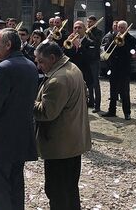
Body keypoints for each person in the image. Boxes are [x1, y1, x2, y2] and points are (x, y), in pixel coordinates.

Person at [0, 28, 38, 210]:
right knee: (15, 188)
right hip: (21, 138)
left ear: (8, 45)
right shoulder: (30, 65)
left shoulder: (4, 68)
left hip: (0, 141)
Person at [34, 42, 91, 210]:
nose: (39, 66)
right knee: (70, 190)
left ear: (53, 58)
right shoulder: (73, 68)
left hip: (60, 147)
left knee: (57, 192)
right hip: (73, 142)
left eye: (41, 62)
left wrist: (27, 100)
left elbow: (46, 112)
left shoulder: (58, 79)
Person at [102, 20, 135, 120]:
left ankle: (127, 113)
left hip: (124, 68)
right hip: (114, 67)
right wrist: (112, 42)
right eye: (118, 27)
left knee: (125, 92)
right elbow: (107, 48)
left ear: (126, 28)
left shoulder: (131, 39)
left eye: (122, 28)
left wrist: (123, 44)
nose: (119, 29)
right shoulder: (113, 37)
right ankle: (112, 111)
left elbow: (131, 52)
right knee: (113, 90)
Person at [63, 20, 95, 91]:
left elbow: (90, 58)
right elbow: (63, 56)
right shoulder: (70, 42)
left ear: (85, 29)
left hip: (84, 75)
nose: (77, 30)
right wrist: (66, 45)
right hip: (71, 74)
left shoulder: (90, 42)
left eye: (79, 28)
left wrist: (80, 46)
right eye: (75, 28)